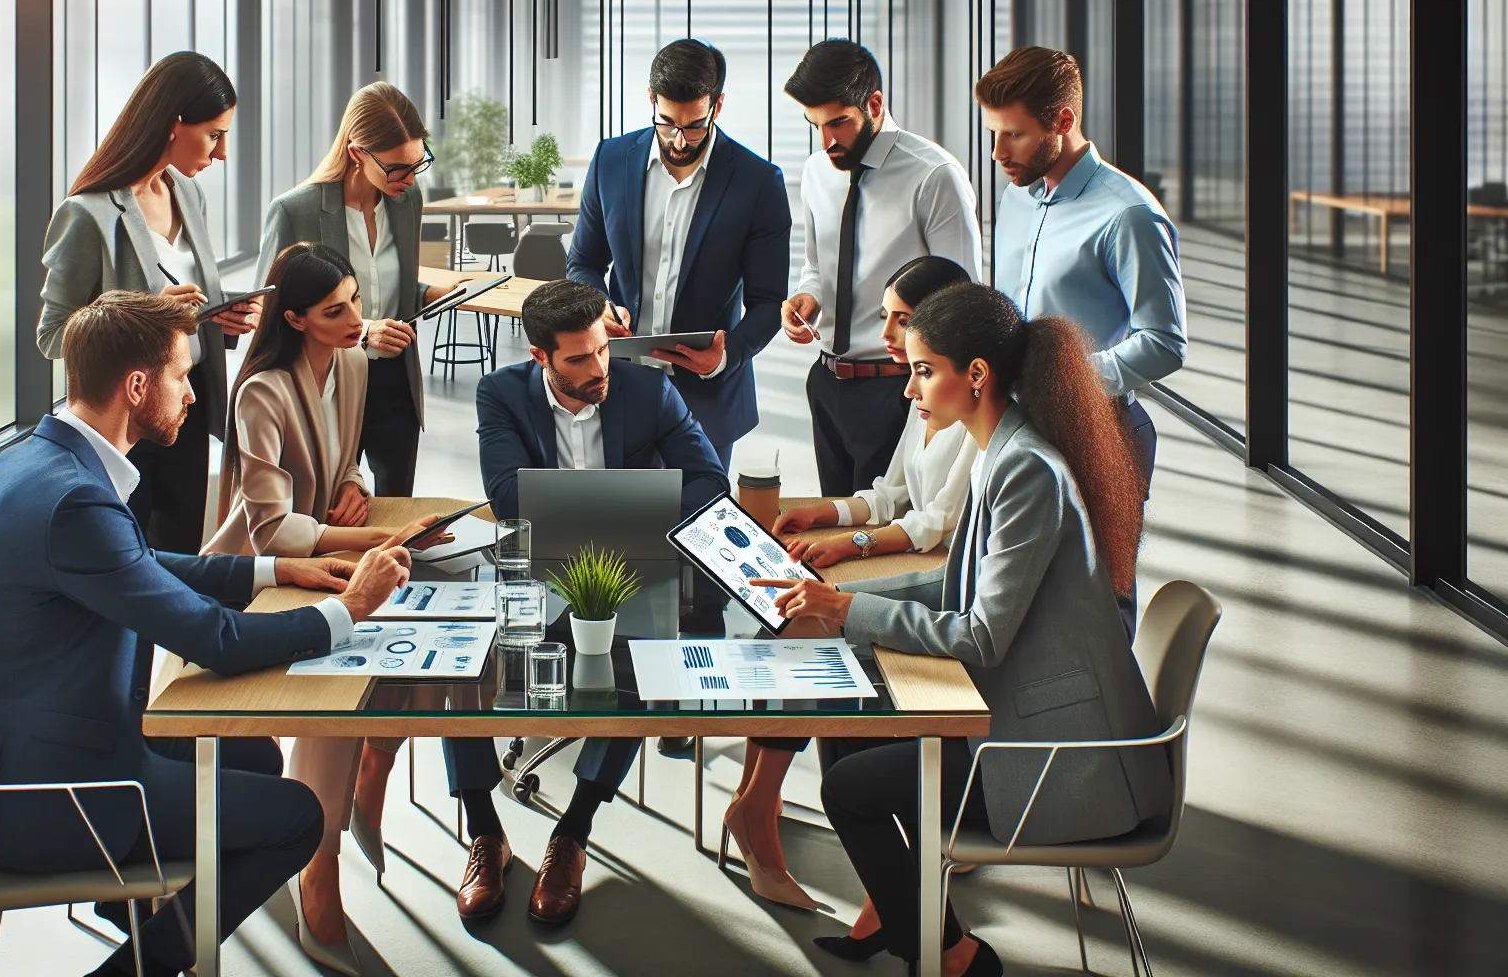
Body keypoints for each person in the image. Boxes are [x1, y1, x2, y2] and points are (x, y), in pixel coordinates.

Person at [0, 291, 414, 977]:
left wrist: (276, 569)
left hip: (29, 747)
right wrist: (351, 609)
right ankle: (139, 968)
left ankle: (143, 916)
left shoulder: (42, 460)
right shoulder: (76, 500)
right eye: (182, 376)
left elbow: (136, 562)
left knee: (255, 759)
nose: (192, 395)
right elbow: (216, 640)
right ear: (137, 387)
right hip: (51, 798)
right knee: (297, 818)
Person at [751, 282, 1174, 975]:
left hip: (1058, 759)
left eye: (923, 370)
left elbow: (981, 636)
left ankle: (951, 954)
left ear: (975, 374)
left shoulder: (1024, 468)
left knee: (849, 791)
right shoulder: (1006, 447)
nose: (908, 388)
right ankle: (933, 935)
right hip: (1036, 723)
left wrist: (847, 611)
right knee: (860, 748)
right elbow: (958, 584)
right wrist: (833, 600)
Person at [200, 242, 453, 970]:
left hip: (328, 559)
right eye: (335, 310)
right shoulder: (261, 392)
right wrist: (378, 535)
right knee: (334, 679)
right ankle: (320, 865)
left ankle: (373, 772)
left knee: (430, 637)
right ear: (295, 320)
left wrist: (357, 486)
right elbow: (272, 529)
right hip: (257, 579)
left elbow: (348, 462)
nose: (355, 319)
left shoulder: (353, 364)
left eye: (355, 301)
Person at [453, 279, 728, 927]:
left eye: (603, 349)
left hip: (628, 566)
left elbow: (710, 481)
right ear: (540, 356)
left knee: (640, 663)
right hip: (535, 568)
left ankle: (573, 833)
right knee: (459, 665)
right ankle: (485, 831)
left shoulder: (649, 389)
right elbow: (508, 499)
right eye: (578, 358)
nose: (598, 367)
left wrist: (603, 520)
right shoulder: (501, 393)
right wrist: (633, 503)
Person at [721, 256, 981, 911]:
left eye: (900, 320)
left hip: (944, 582)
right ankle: (759, 802)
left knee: (811, 620)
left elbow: (932, 523)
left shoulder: (970, 414)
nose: (885, 334)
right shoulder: (924, 394)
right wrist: (827, 513)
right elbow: (889, 493)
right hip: (920, 569)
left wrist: (850, 543)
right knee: (795, 613)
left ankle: (759, 806)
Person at [975, 45, 1187, 638]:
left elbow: (1165, 342)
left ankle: (1116, 704)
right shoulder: (1017, 196)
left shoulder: (1129, 215)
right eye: (993, 134)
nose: (997, 153)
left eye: (1014, 135)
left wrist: (1064, 379)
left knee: (1099, 606)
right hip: (1018, 425)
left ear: (1063, 121)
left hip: (1102, 430)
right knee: (1017, 595)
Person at [36, 51, 261, 554]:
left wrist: (220, 316)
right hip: (126, 417)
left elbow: (185, 304)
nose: (222, 153)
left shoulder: (189, 195)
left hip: (187, 403)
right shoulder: (88, 214)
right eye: (215, 135)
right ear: (175, 122)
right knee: (128, 553)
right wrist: (146, 315)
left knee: (182, 549)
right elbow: (52, 335)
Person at [565, 38, 793, 469]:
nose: (680, 140)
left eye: (694, 126)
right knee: (616, 511)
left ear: (717, 106)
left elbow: (768, 302)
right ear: (651, 98)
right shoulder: (610, 160)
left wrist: (726, 355)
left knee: (700, 512)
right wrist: (599, 309)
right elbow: (583, 263)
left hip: (708, 401)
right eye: (667, 123)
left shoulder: (759, 183)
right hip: (616, 386)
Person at [779, 40, 984, 499]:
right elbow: (816, 264)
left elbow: (964, 301)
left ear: (874, 105)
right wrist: (808, 297)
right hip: (826, 383)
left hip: (898, 390)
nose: (827, 142)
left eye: (839, 123)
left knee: (885, 528)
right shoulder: (816, 172)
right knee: (835, 524)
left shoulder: (934, 175)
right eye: (816, 125)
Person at [256, 82, 458, 497]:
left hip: (396, 380)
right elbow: (271, 310)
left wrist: (427, 293)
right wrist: (364, 331)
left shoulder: (406, 201)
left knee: (397, 508)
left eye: (418, 163)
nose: (410, 178)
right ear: (356, 153)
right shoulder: (295, 211)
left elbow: (383, 281)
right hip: (327, 382)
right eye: (397, 168)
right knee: (329, 507)